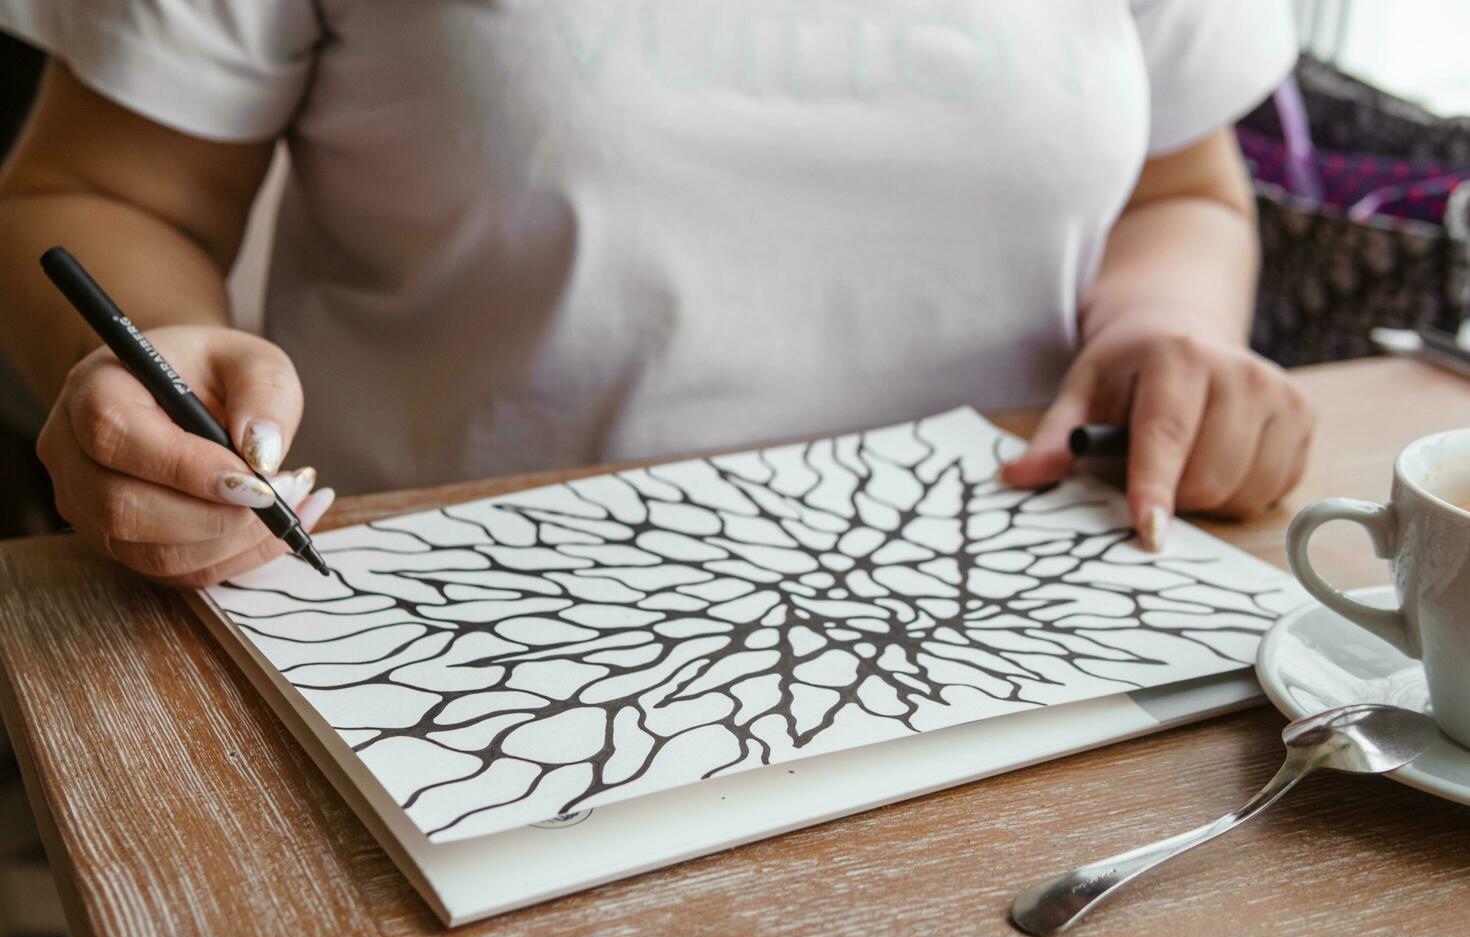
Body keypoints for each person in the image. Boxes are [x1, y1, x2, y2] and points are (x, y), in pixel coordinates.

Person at [0, 1, 1315, 587]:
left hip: (1035, 612)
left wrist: (1166, 329)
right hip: (446, 634)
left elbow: (1181, 186)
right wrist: (156, 364)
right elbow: (105, 194)